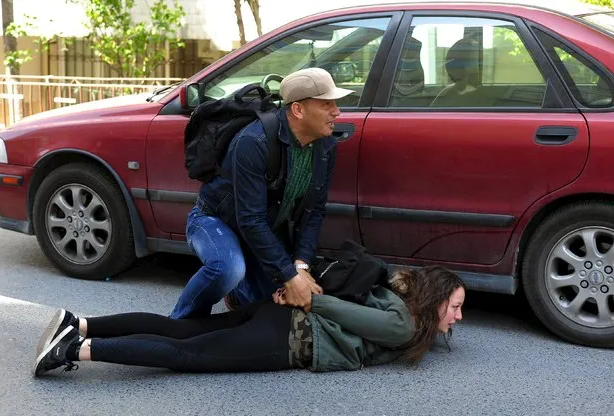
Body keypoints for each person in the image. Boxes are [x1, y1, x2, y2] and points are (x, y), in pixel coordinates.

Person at [32, 266, 465, 376]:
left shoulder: (391, 291)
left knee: (183, 329)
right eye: (454, 307)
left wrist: (301, 300)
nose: (458, 317)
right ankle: (72, 349)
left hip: (276, 313)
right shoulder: (404, 325)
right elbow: (347, 313)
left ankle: (81, 322)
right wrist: (311, 306)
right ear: (434, 300)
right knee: (187, 354)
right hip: (291, 337)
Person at [170, 68, 354, 319]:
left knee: (282, 306)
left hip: (261, 230)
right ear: (298, 110)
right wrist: (288, 274)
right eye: (327, 104)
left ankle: (237, 294)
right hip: (215, 221)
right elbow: (250, 219)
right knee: (228, 269)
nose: (337, 111)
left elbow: (314, 211)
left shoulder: (324, 146)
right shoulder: (253, 142)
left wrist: (300, 265)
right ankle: (179, 322)